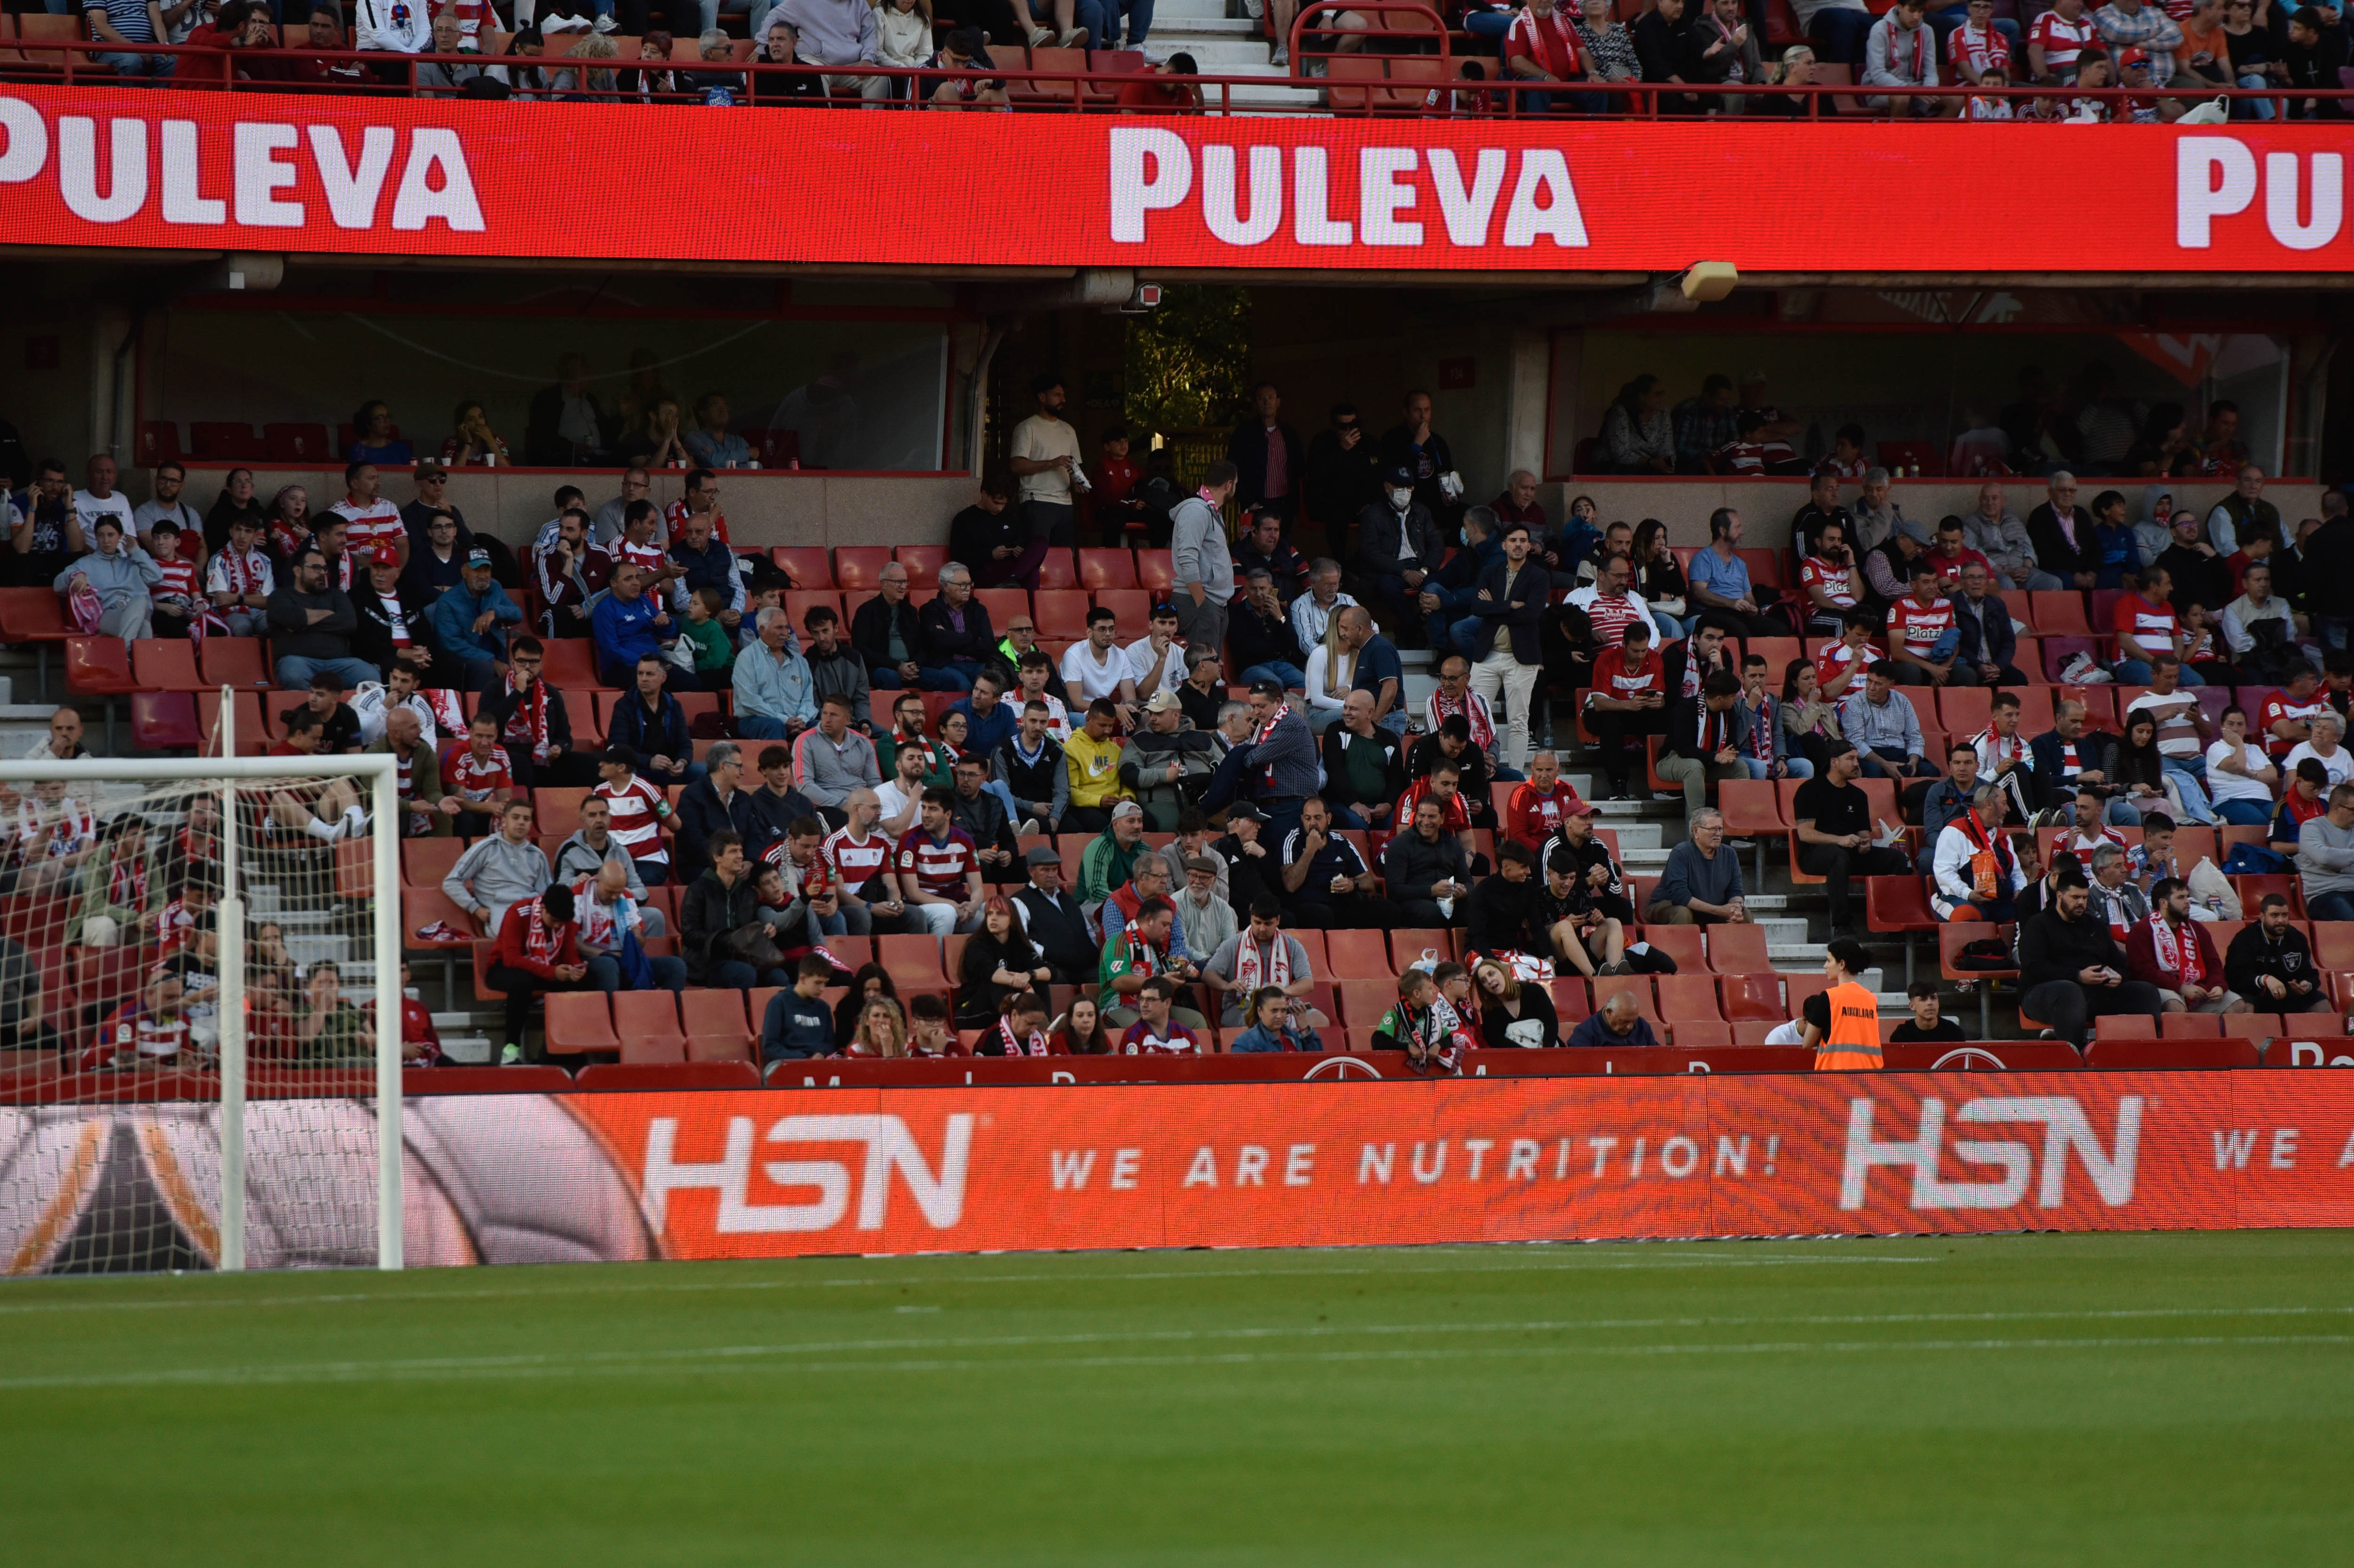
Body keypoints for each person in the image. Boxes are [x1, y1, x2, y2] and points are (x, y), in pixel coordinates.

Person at [2018, 868, 2165, 1046]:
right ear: (2059, 896)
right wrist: (2077, 976)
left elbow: (2120, 963)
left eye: (2085, 898)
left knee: (2145, 992)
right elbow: (2034, 968)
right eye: (2075, 898)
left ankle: (2145, 1053)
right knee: (2069, 991)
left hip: (2094, 993)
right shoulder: (2039, 924)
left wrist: (2118, 976)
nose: (2081, 903)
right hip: (2044, 994)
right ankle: (2074, 1057)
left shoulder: (2094, 924)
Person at [1793, 742, 1913, 934]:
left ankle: (1894, 923)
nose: (1857, 763)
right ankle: (1842, 925)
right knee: (1838, 856)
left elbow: (1863, 833)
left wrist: (1865, 843)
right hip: (1816, 855)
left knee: (1896, 859)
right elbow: (1805, 834)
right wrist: (1839, 840)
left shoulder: (1858, 795)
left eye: (1857, 758)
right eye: (1851, 759)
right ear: (1834, 762)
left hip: (1850, 852)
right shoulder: (1810, 790)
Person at [1200, 898, 1321, 1029]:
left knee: (1320, 1021)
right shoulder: (1234, 944)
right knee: (1267, 1020)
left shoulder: (1292, 946)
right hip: (1243, 1007)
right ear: (1251, 918)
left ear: (1278, 921)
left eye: (1268, 924)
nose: (1262, 929)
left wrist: (1285, 991)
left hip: (1284, 1006)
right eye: (1257, 923)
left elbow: (1308, 983)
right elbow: (1208, 974)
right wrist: (1228, 985)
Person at [441, 799, 550, 936]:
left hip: (531, 908)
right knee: (516, 936)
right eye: (515, 817)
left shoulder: (537, 855)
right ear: (504, 821)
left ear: (530, 824)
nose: (521, 822)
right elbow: (451, 882)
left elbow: (545, 893)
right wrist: (476, 909)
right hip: (499, 909)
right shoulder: (486, 848)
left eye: (526, 819)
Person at [1657, 669, 1749, 821]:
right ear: (1719, 698)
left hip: (1709, 762)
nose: (1737, 698)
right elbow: (1684, 749)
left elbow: (1732, 744)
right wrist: (1716, 757)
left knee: (1740, 766)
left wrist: (1730, 755)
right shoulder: (1686, 709)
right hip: (1672, 759)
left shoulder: (1729, 711)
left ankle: (1739, 824)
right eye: (1733, 696)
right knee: (1694, 767)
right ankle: (1699, 826)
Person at [1169, 460, 1237, 664]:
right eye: (1236, 484)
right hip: (1200, 600)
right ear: (1228, 485)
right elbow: (1187, 558)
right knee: (1203, 669)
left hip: (1214, 602)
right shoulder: (1196, 511)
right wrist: (1202, 602)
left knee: (1212, 669)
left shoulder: (1211, 510)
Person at [893, 787, 984, 937]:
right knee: (946, 914)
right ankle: (936, 960)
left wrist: (972, 906)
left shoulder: (965, 840)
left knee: (997, 913)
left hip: (954, 902)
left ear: (948, 814)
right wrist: (952, 905)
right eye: (924, 808)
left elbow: (978, 889)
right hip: (919, 906)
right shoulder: (910, 840)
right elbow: (913, 894)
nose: (925, 815)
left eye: (933, 809)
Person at [2224, 893, 2330, 1015]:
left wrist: (2306, 985)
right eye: (2274, 916)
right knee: (2245, 1005)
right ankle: (2252, 1034)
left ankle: (2312, 1034)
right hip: (2256, 994)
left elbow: (2311, 974)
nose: (2281, 920)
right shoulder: (2245, 939)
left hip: (2287, 993)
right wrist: (2265, 980)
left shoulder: (2297, 938)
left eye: (2285, 915)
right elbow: (2236, 978)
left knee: (2321, 1001)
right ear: (2262, 916)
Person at [1651, 807, 1745, 926]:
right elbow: (1680, 896)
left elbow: (1736, 890)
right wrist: (1720, 911)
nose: (1718, 834)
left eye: (1720, 829)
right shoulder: (1681, 853)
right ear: (1696, 831)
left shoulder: (1730, 854)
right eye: (1712, 829)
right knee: (1683, 914)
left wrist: (1736, 907)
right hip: (1672, 906)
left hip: (1713, 910)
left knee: (1744, 915)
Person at [1814, 937, 1884, 1070]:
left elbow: (1807, 1043)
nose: (1825, 965)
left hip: (1834, 1076)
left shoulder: (1829, 997)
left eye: (1829, 960)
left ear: (1842, 964)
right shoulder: (1872, 998)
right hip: (1870, 1077)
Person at [2297, 781, 2354, 922]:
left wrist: (2341, 860)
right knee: (2349, 919)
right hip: (2324, 894)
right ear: (2337, 808)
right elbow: (2324, 857)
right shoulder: (2312, 827)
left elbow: (2333, 859)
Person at [1565, 989, 1658, 1052]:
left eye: (1633, 1021)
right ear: (1609, 1012)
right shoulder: (1585, 1032)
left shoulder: (1643, 1026)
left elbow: (1658, 1056)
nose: (1630, 1027)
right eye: (1625, 1022)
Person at [1888, 981, 1965, 1043]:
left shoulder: (1954, 1032)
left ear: (1939, 1003)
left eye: (1933, 998)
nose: (1930, 1003)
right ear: (1912, 1006)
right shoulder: (1902, 1035)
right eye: (1923, 999)